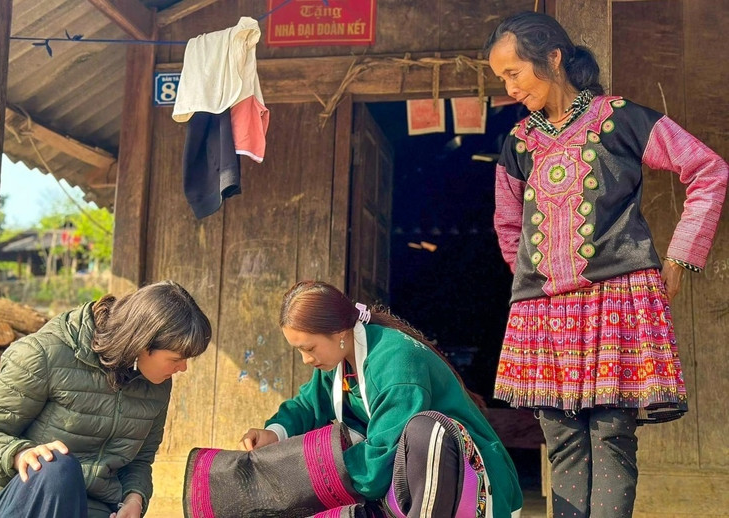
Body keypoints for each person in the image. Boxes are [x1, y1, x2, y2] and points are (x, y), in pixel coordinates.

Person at [484, 11, 728, 518]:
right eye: (501, 78)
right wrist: (535, 278)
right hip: (543, 311)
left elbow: (708, 170)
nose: (508, 88)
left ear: (553, 58)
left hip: (616, 300)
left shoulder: (621, 119)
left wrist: (682, 256)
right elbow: (508, 225)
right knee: (562, 441)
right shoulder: (518, 144)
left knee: (610, 436)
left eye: (513, 73)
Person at [205, 280, 522, 518]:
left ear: (340, 332)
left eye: (309, 348)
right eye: (298, 350)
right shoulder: (341, 360)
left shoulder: (397, 362)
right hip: (404, 473)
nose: (305, 360)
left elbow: (382, 455)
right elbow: (307, 405)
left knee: (422, 431)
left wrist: (299, 483)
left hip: (463, 474)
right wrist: (273, 434)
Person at [0, 280, 213, 518]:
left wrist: (134, 498)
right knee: (56, 467)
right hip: (24, 505)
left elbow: (139, 460)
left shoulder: (156, 384)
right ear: (143, 345)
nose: (183, 369)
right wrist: (19, 453)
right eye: (176, 359)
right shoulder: (45, 355)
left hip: (93, 510)